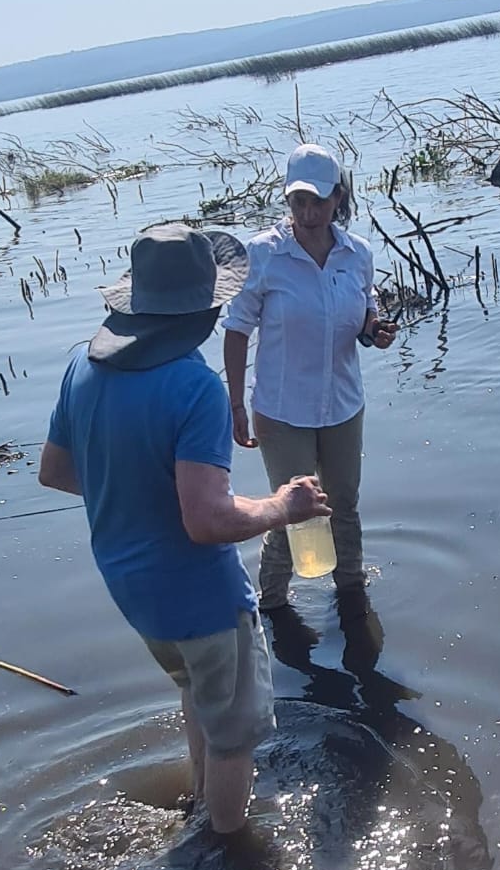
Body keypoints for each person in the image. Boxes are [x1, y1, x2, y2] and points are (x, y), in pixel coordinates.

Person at [38, 222, 331, 835]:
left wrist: (140, 494)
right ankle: (227, 852)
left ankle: (197, 805)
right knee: (237, 736)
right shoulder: (194, 388)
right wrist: (283, 506)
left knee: (199, 692)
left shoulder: (81, 368)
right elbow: (208, 522)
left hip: (133, 590)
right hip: (202, 600)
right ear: (204, 309)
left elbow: (56, 472)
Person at [223, 144, 397, 610]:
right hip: (283, 411)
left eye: (318, 200)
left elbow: (364, 310)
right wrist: (236, 404)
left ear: (338, 197)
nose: (308, 211)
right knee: (290, 512)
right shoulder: (262, 255)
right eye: (298, 201)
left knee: (343, 504)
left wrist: (373, 330)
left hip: (342, 404)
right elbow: (237, 330)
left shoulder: (356, 253)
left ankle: (353, 597)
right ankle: (272, 606)